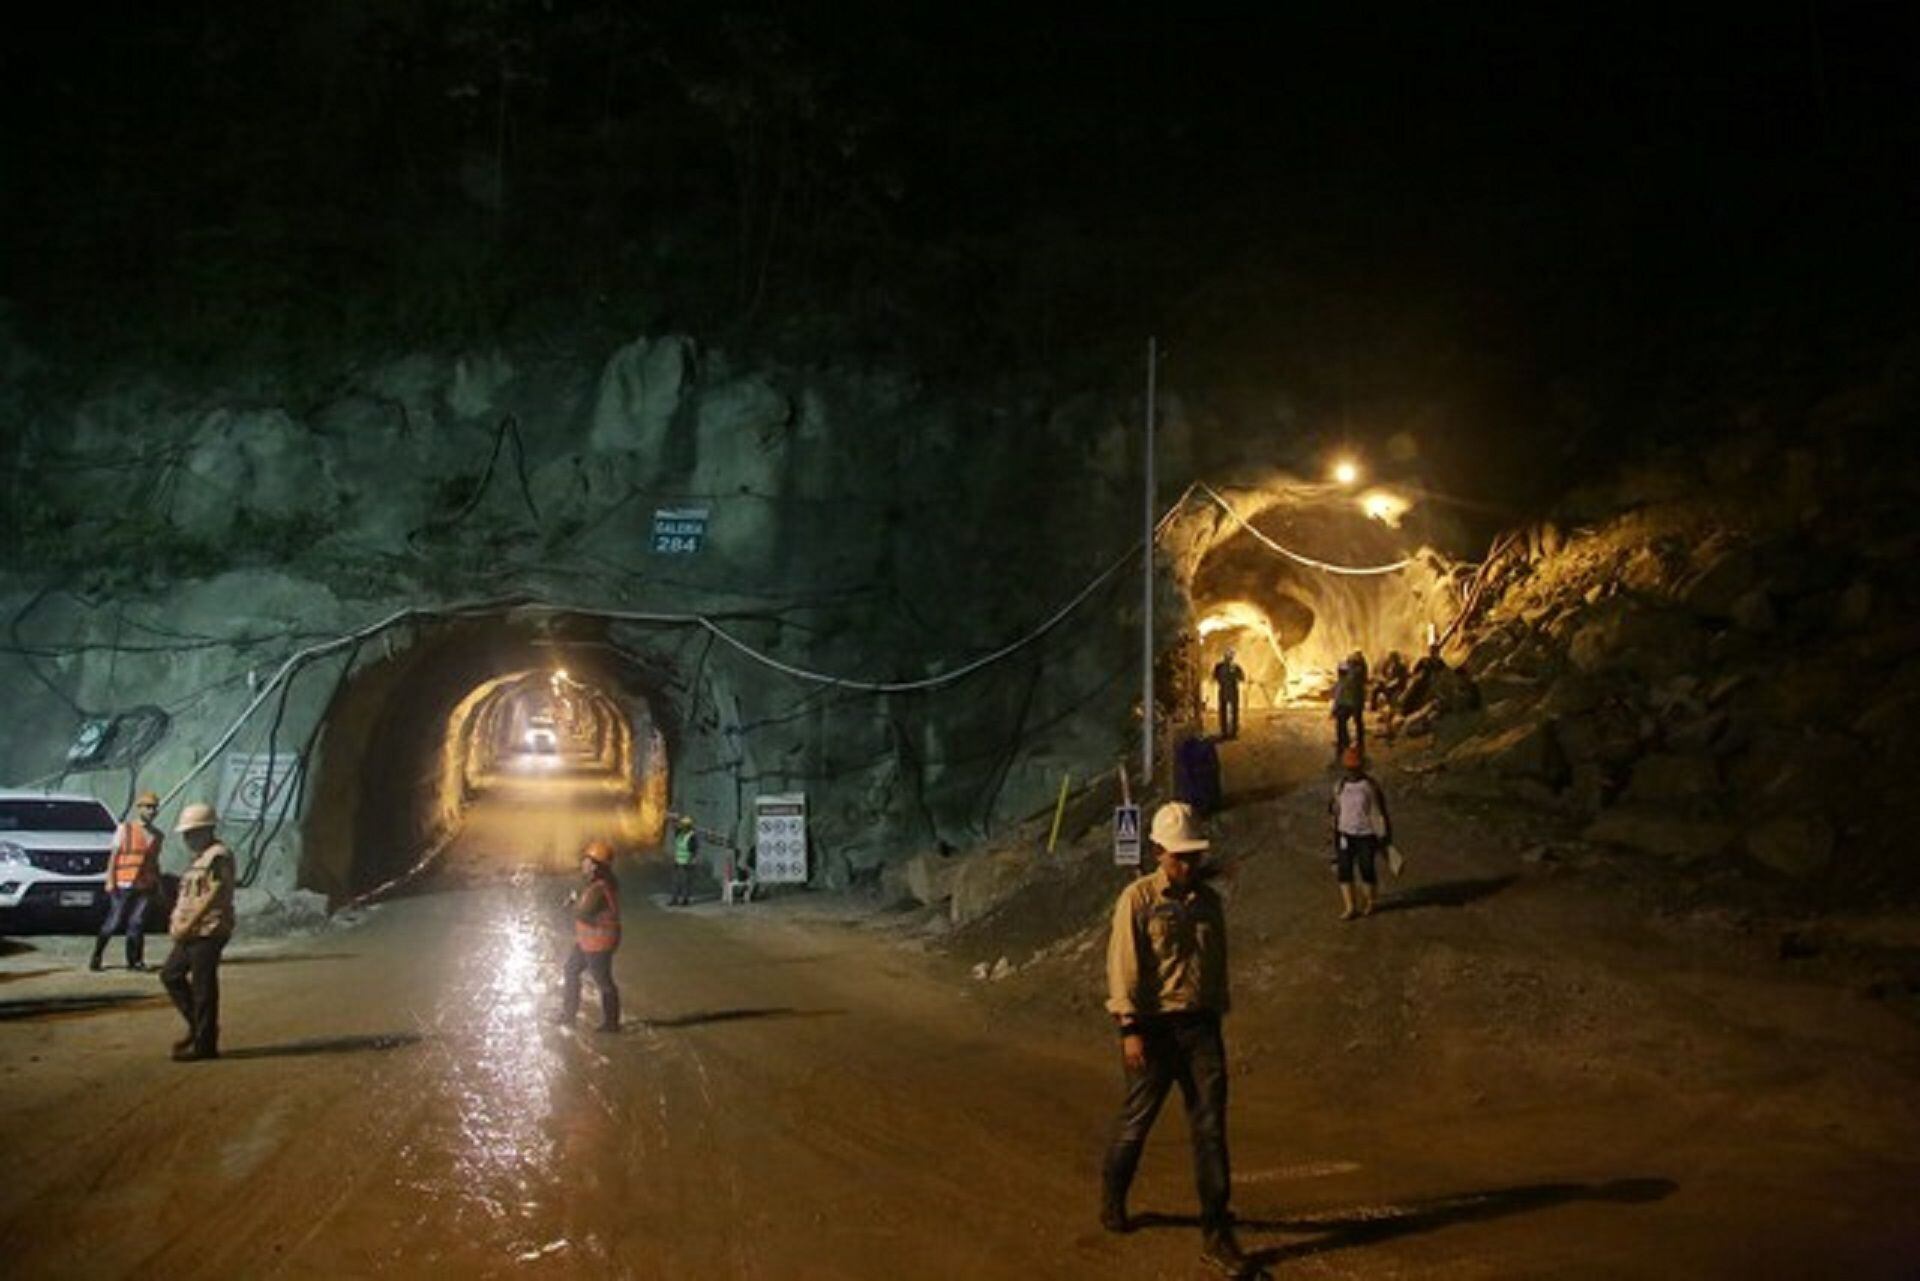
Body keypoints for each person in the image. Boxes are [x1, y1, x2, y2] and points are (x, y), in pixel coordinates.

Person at [1101, 802, 1251, 1278]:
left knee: (1210, 1128)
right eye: (1178, 857)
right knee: (1136, 1123)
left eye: (1192, 857)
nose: (1186, 865)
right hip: (1153, 1028)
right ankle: (1113, 1199)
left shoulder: (1209, 901)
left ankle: (1216, 1230)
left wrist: (1217, 1014)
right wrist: (1129, 1029)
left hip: (1201, 1027)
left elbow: (1216, 962)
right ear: (1158, 852)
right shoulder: (1138, 900)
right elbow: (1122, 967)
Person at [159, 802, 234, 1062]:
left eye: (192, 832)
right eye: (186, 834)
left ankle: (205, 1044)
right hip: (190, 931)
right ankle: (200, 1027)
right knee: (171, 975)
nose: (188, 838)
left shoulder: (218, 856)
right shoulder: (199, 859)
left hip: (209, 930)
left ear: (207, 830)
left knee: (203, 986)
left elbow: (213, 895)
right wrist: (176, 921)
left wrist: (188, 925)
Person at [90, 789, 164, 972]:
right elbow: (114, 856)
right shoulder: (125, 829)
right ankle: (97, 955)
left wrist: (158, 884)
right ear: (139, 808)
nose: (151, 811)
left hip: (145, 884)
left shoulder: (157, 835)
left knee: (137, 923)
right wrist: (110, 880)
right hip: (123, 883)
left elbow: (154, 861)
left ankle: (135, 961)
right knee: (114, 922)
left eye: (154, 807)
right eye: (147, 807)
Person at [559, 840, 621, 1031]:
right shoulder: (599, 885)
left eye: (585, 860)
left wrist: (572, 902)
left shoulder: (598, 888)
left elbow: (582, 912)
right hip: (589, 940)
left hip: (598, 943)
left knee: (604, 982)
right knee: (571, 970)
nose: (582, 864)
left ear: (595, 865)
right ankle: (569, 1015)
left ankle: (611, 1024)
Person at [1329, 747, 1392, 920]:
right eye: (1349, 768)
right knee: (1344, 870)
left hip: (1366, 834)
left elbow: (1381, 811)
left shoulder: (1370, 786)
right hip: (1344, 834)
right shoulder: (1339, 786)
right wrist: (1333, 834)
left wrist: (1385, 835)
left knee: (1367, 868)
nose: (1352, 771)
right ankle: (1350, 907)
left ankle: (1370, 902)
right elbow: (1335, 811)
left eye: (1355, 767)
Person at [1332, 651, 1367, 758]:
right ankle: (1351, 741)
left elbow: (1341, 693)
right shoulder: (1355, 676)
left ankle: (1345, 742)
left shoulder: (1353, 676)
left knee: (1344, 721)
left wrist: (1336, 705)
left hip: (1350, 702)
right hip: (1353, 701)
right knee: (1355, 721)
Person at [1211, 647, 1246, 740]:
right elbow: (1214, 677)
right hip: (1224, 691)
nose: (1229, 657)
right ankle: (1225, 732)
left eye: (1230, 655)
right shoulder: (1219, 666)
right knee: (1224, 712)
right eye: (1228, 655)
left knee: (1233, 712)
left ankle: (1232, 732)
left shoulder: (1235, 667)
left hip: (1232, 691)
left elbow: (1242, 677)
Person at [669, 813, 700, 906]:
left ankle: (685, 900)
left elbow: (694, 850)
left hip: (686, 863)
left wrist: (692, 860)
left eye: (683, 825)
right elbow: (675, 828)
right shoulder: (680, 833)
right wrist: (674, 818)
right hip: (678, 861)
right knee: (676, 881)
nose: (681, 827)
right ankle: (675, 899)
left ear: (688, 826)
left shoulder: (691, 836)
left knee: (685, 882)